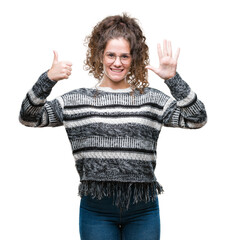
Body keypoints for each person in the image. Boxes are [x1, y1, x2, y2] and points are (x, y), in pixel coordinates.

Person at [19, 13, 207, 240]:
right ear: (99, 55)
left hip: (143, 209)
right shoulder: (76, 101)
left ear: (133, 59)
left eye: (124, 56)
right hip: (96, 210)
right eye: (111, 55)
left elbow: (197, 118)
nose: (117, 63)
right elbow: (28, 117)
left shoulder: (152, 99)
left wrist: (172, 78)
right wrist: (47, 79)